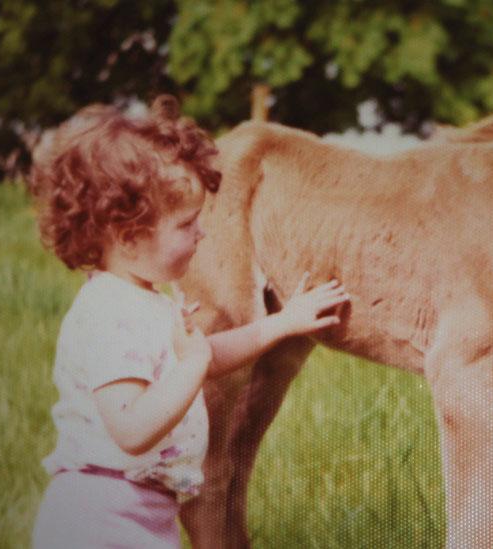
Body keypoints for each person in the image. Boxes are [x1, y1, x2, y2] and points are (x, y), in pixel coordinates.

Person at [29, 95, 349, 548]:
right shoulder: (109, 314)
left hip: (142, 510)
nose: (202, 233)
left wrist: (284, 323)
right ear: (130, 237)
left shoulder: (145, 300)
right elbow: (131, 429)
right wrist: (190, 366)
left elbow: (207, 356)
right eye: (186, 224)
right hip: (101, 516)